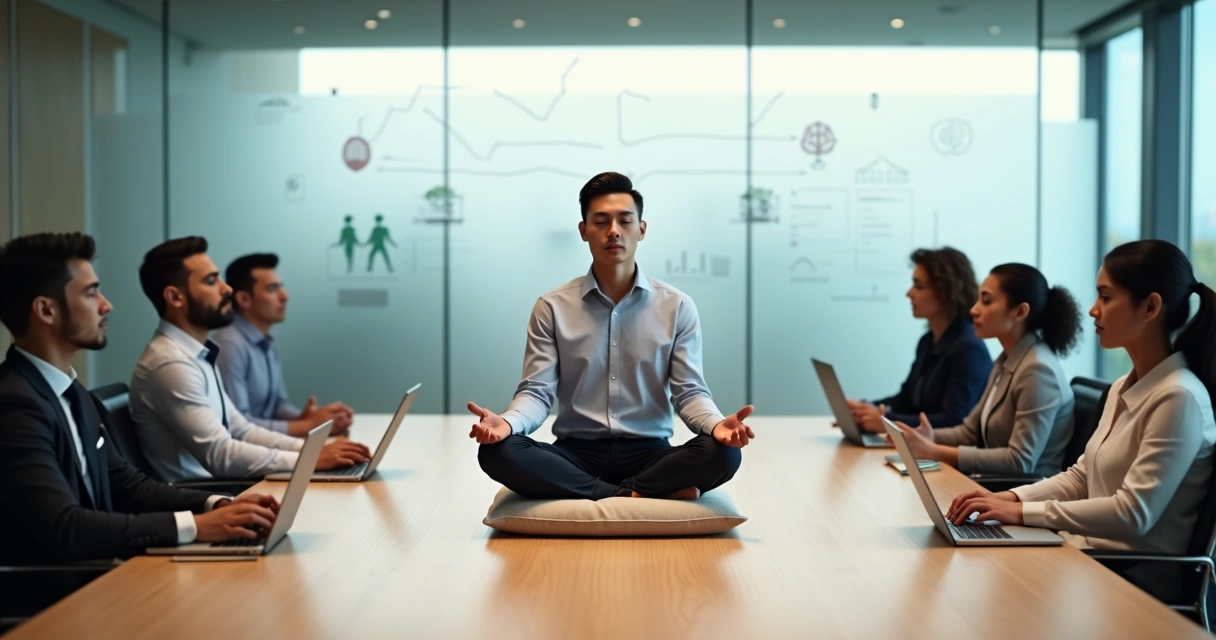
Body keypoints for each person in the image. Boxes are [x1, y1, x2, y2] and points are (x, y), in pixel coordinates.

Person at [468, 172, 754, 501]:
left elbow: (689, 392)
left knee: (724, 453)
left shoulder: (677, 306)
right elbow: (536, 392)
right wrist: (507, 423)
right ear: (583, 230)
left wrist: (716, 425)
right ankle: (636, 494)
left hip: (651, 453)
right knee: (497, 452)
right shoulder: (552, 306)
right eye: (601, 221)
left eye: (625, 221)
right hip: (575, 453)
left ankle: (597, 491)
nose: (614, 231)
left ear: (641, 229)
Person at [0, 232, 283, 565]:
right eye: (90, 293)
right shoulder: (15, 404)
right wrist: (195, 526)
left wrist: (217, 505)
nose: (106, 304)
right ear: (46, 310)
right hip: (64, 589)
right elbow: (67, 527)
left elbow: (127, 485)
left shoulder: (73, 393)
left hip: (106, 569)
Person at [948, 240, 1216, 560]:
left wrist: (1022, 513)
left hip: (1129, 574)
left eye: (1106, 297)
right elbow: (1081, 478)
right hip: (1087, 554)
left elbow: (1133, 514)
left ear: (1150, 307)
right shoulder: (1122, 387)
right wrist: (1010, 499)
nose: (1093, 309)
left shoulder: (1179, 397)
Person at [129, 237, 371, 483]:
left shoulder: (195, 353)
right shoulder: (171, 364)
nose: (227, 289)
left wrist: (311, 450)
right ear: (175, 297)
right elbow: (220, 454)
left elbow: (241, 429)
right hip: (209, 492)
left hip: (228, 485)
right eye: (211, 281)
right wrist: (308, 458)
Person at [890, 263, 1081, 476]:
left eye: (986, 301)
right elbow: (968, 433)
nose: (974, 309)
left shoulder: (1038, 370)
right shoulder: (1007, 359)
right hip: (993, 484)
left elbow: (1019, 461)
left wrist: (935, 451)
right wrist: (927, 437)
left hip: (1022, 490)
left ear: (1020, 312)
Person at [849, 247, 993, 433]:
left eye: (919, 286)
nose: (909, 293)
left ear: (946, 292)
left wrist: (887, 422)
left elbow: (954, 420)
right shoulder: (927, 341)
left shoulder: (970, 349)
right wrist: (865, 409)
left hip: (949, 451)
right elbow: (905, 401)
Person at [213, 253, 354, 437]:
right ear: (244, 299)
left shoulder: (266, 341)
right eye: (272, 289)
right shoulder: (229, 345)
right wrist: (308, 426)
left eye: (281, 287)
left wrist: (311, 418)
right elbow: (238, 427)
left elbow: (278, 405)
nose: (284, 296)